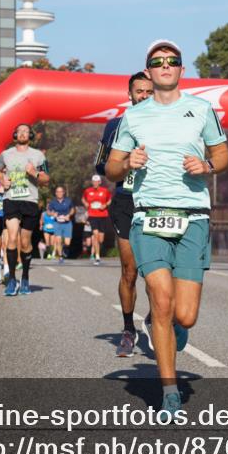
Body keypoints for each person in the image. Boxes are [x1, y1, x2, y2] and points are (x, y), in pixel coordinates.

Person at [105, 39, 228, 419]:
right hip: (148, 216)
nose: (165, 66)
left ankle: (173, 333)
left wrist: (207, 167)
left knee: (185, 315)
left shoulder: (201, 109)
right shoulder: (134, 116)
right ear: (148, 70)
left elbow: (222, 154)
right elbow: (111, 168)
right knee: (160, 300)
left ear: (180, 69)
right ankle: (169, 392)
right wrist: (128, 163)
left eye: (171, 61)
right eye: (157, 62)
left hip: (192, 216)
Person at [95, 71, 154, 357]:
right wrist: (126, 163)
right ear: (129, 94)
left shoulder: (167, 124)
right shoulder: (115, 125)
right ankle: (129, 329)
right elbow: (101, 167)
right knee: (130, 271)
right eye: (139, 91)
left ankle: (157, 320)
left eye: (148, 91)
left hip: (158, 202)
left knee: (157, 271)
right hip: (126, 201)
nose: (143, 96)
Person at [0, 123, 49, 296]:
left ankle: (24, 277)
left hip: (30, 200)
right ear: (15, 134)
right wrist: (3, 182)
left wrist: (34, 173)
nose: (24, 133)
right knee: (11, 237)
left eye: (27, 131)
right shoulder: (6, 154)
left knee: (25, 243)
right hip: (11, 199)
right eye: (20, 131)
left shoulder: (38, 155)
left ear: (30, 135)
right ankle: (11, 279)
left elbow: (46, 179)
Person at [83, 175, 112, 264]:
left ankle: (97, 251)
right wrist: (86, 204)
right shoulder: (88, 191)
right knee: (95, 235)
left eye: (97, 181)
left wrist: (106, 205)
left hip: (103, 215)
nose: (95, 183)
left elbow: (109, 199)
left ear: (100, 182)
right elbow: (83, 199)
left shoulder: (105, 191)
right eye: (93, 181)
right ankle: (97, 256)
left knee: (100, 239)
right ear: (92, 182)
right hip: (92, 215)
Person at [48, 185, 75, 263]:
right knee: (58, 239)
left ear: (63, 192)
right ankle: (60, 256)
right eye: (57, 192)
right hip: (57, 223)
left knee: (67, 242)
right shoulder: (53, 202)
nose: (59, 193)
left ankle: (64, 248)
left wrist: (69, 215)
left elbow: (73, 209)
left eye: (61, 191)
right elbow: (49, 211)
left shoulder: (68, 200)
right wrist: (53, 214)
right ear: (56, 193)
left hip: (67, 223)